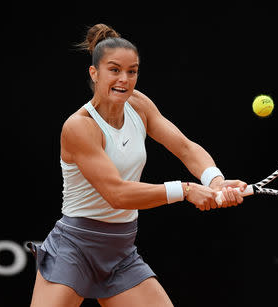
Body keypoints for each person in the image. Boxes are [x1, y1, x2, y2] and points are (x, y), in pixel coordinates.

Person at [29, 23, 247, 307]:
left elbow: (184, 146)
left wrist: (214, 180)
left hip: (120, 252)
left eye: (132, 71)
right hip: (76, 248)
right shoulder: (79, 127)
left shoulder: (139, 105)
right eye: (115, 70)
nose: (124, 79)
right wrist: (185, 190)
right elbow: (116, 194)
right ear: (94, 73)